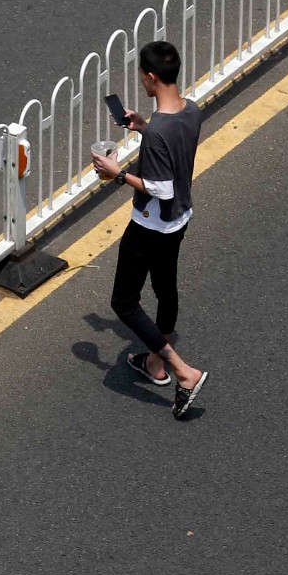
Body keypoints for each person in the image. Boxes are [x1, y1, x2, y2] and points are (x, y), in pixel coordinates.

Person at [91, 40, 209, 419]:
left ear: (152, 76)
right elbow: (172, 152)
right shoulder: (190, 111)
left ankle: (180, 370)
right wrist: (142, 128)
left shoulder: (160, 130)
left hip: (150, 225)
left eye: (142, 74)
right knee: (164, 288)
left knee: (123, 302)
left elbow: (160, 188)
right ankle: (156, 367)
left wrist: (117, 173)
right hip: (178, 220)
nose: (141, 79)